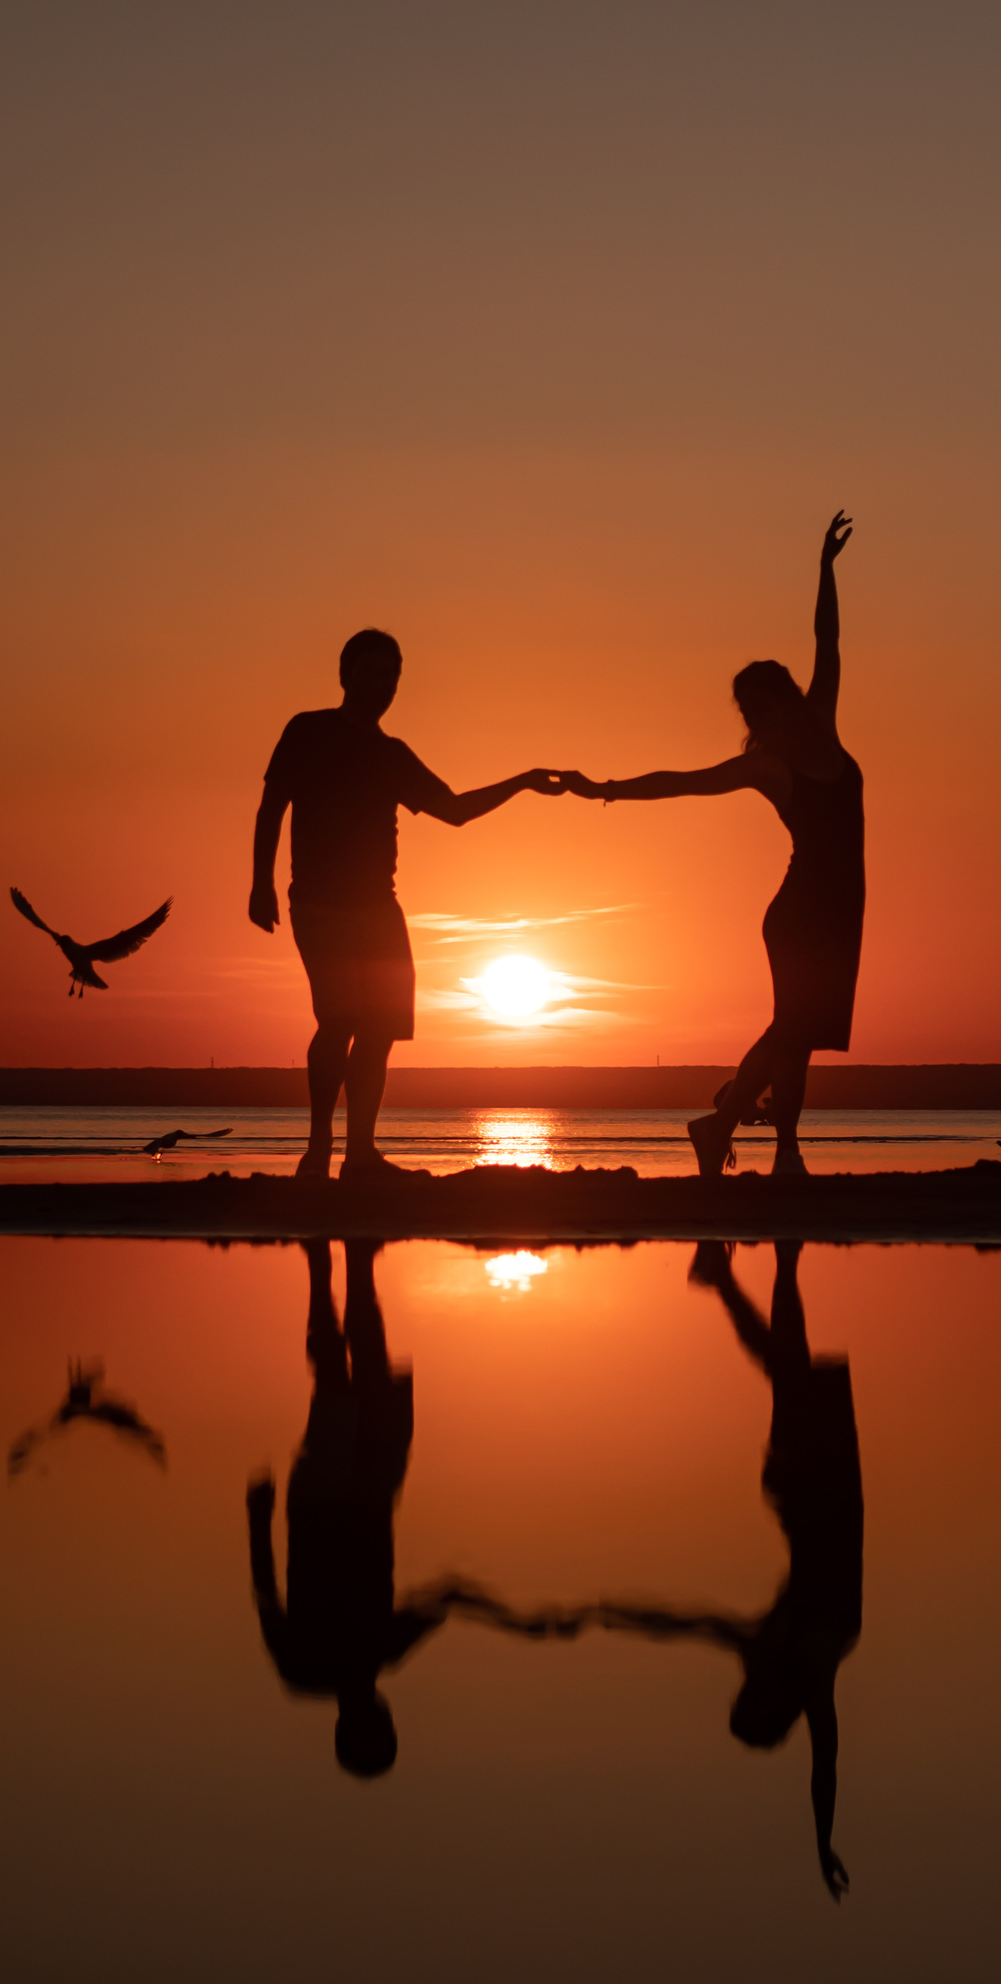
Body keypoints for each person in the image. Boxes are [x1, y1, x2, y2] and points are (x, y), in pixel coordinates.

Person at [564, 510, 862, 1180]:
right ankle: (721, 1123)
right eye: (749, 708)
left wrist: (823, 568)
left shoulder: (822, 720)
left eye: (764, 699)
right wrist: (604, 789)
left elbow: (829, 639)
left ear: (786, 693)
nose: (759, 714)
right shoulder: (767, 764)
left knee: (803, 1039)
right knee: (792, 1028)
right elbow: (681, 782)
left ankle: (781, 1150)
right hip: (802, 911)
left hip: (842, 909)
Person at [246, 1242, 583, 1775]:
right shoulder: (386, 1649)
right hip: (375, 1491)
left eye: (366, 1731)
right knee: (371, 1370)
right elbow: (450, 1593)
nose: (373, 1718)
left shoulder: (302, 1668)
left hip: (323, 1500)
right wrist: (518, 1621)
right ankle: (357, 1261)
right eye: (381, 1729)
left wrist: (257, 1518)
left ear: (346, 1728)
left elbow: (266, 1594)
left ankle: (319, 1263)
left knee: (334, 1379)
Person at [595, 1241, 863, 1899]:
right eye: (751, 1701)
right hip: (824, 1491)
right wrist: (821, 1837)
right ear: (775, 1708)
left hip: (805, 1496)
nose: (743, 1687)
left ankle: (769, 1261)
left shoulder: (769, 1655)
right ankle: (735, 1272)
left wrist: (609, 1612)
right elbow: (824, 1761)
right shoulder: (816, 1667)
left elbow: (684, 1622)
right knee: (785, 1364)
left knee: (787, 1366)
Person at [251, 627, 564, 1181]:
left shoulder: (391, 755)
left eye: (390, 675)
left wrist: (524, 781)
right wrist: (261, 882)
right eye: (370, 672)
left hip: (380, 909)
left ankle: (361, 1153)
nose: (381, 684)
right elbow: (273, 804)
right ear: (345, 674)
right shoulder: (308, 730)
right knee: (339, 1018)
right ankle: (319, 1146)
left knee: (379, 1030)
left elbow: (455, 810)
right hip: (321, 904)